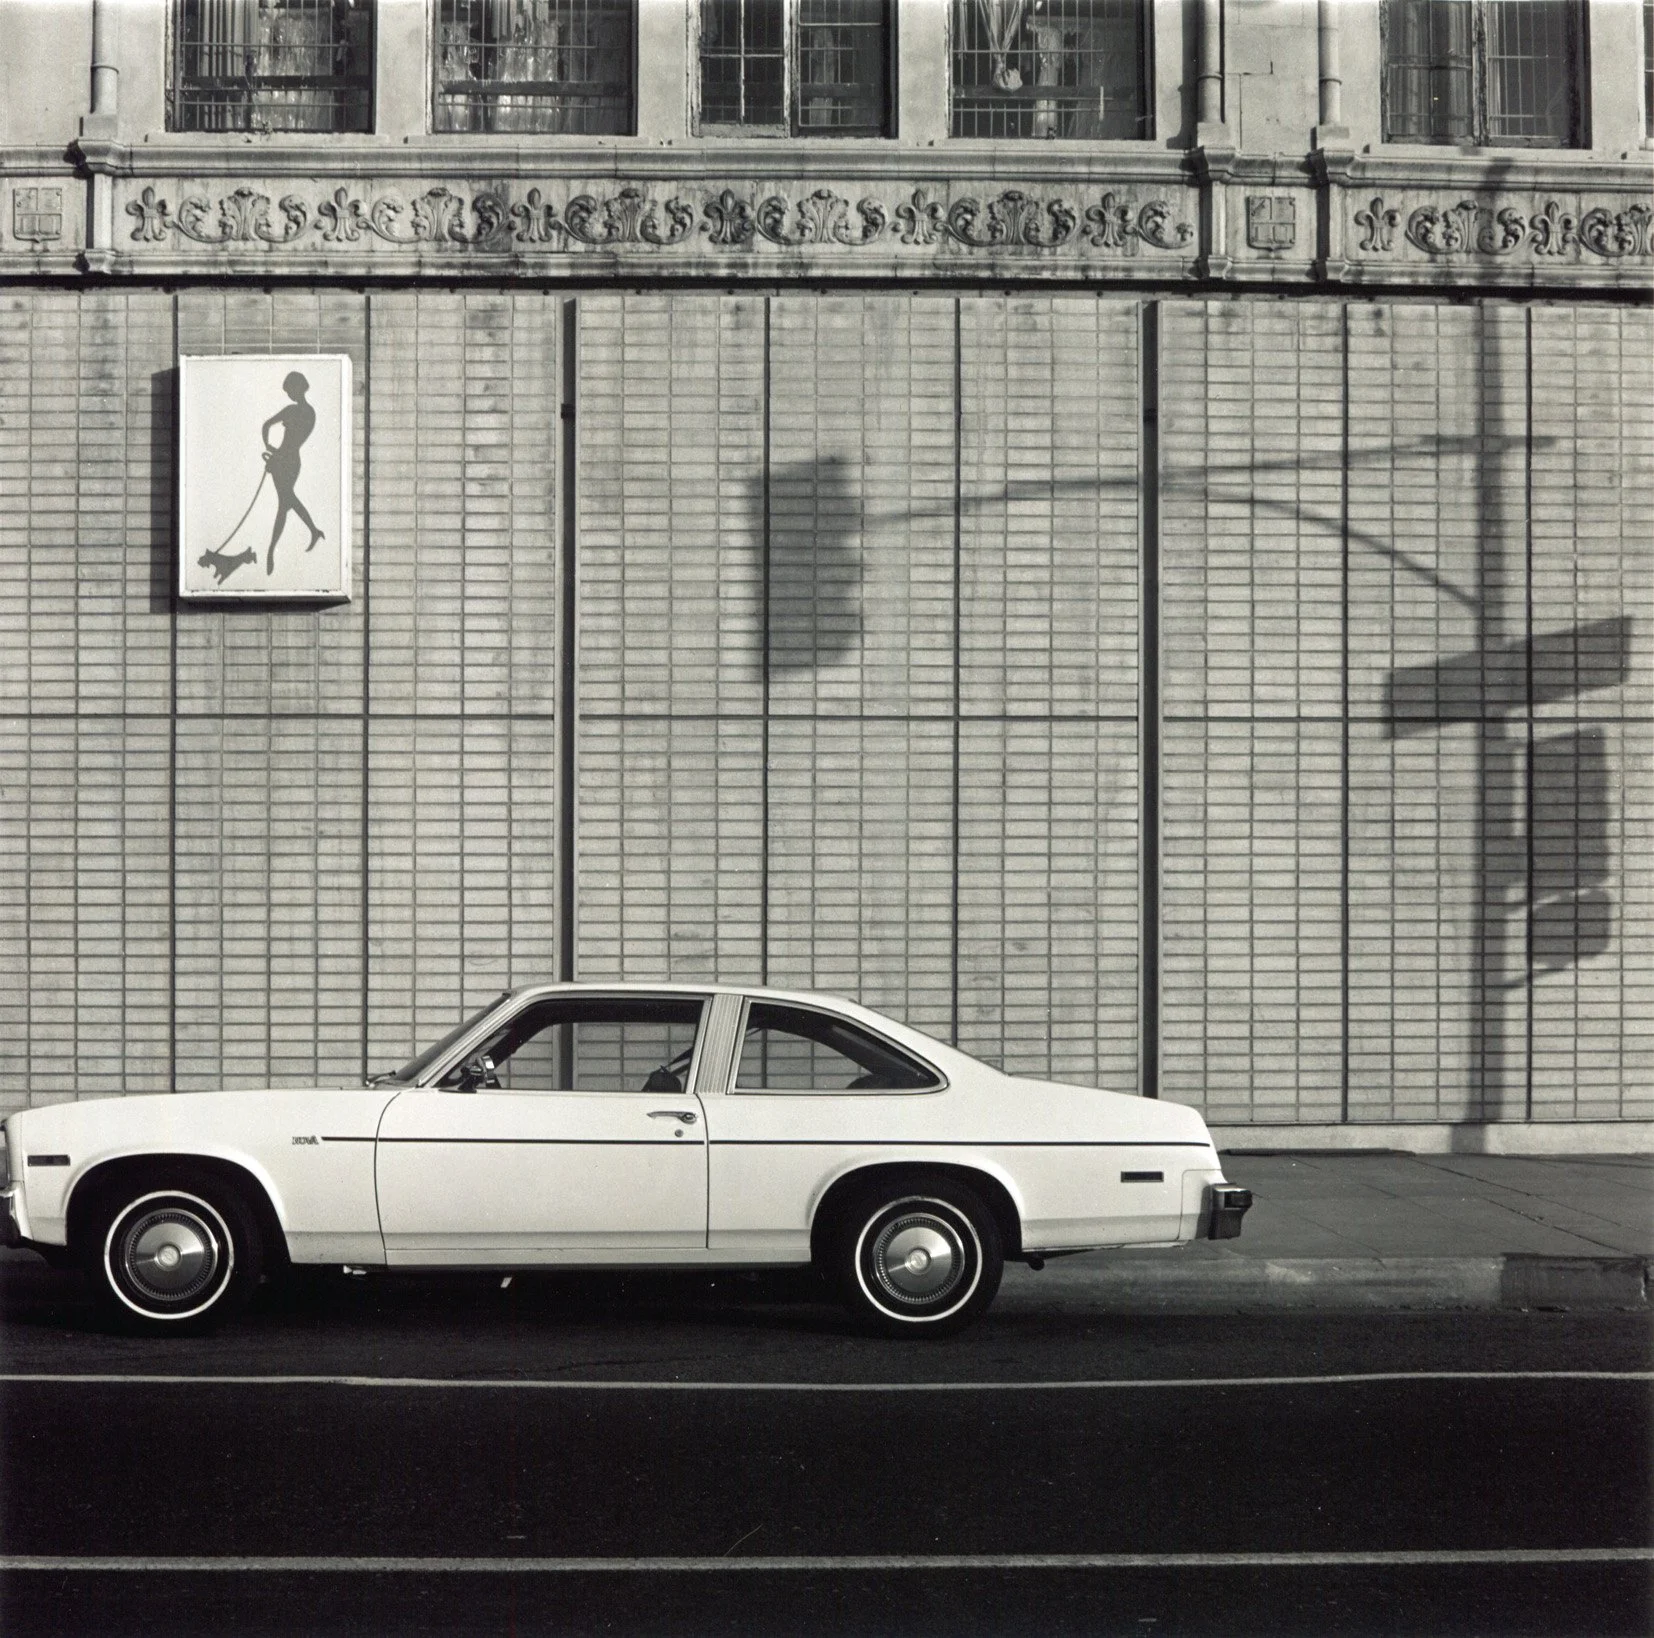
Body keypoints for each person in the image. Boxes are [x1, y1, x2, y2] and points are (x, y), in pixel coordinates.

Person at [261, 371, 324, 574]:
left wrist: (273, 451)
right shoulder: (302, 411)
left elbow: (277, 432)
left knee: (286, 500)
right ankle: (312, 531)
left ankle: (273, 549)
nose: (289, 394)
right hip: (286, 460)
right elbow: (267, 425)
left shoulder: (302, 412)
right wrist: (271, 449)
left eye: (290, 389)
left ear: (299, 387)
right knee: (284, 503)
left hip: (287, 461)